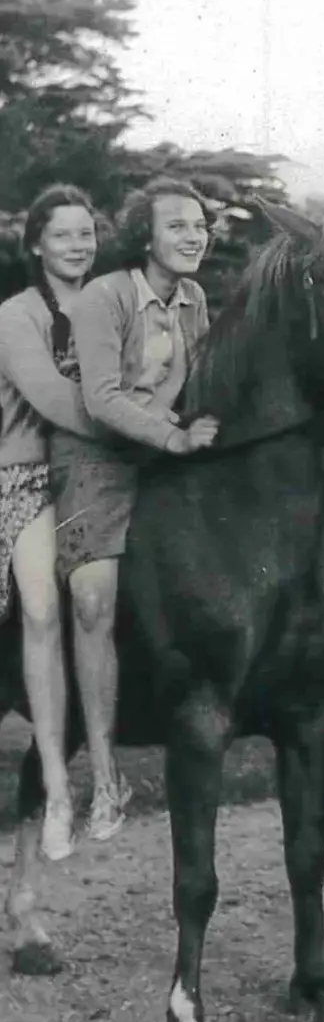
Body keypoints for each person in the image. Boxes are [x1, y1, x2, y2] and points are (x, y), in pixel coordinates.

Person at [51, 177, 221, 842]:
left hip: (162, 453)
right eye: (177, 225)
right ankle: (102, 766)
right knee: (94, 597)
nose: (193, 235)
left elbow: (198, 380)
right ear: (143, 236)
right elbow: (100, 397)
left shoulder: (195, 299)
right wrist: (175, 435)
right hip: (95, 457)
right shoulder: (105, 295)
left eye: (200, 225)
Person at [0, 185, 103, 860]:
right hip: (22, 475)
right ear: (37, 243)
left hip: (93, 475)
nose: (77, 245)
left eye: (86, 233)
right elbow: (59, 403)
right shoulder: (16, 315)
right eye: (63, 235)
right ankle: (57, 784)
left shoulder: (111, 306)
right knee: (40, 609)